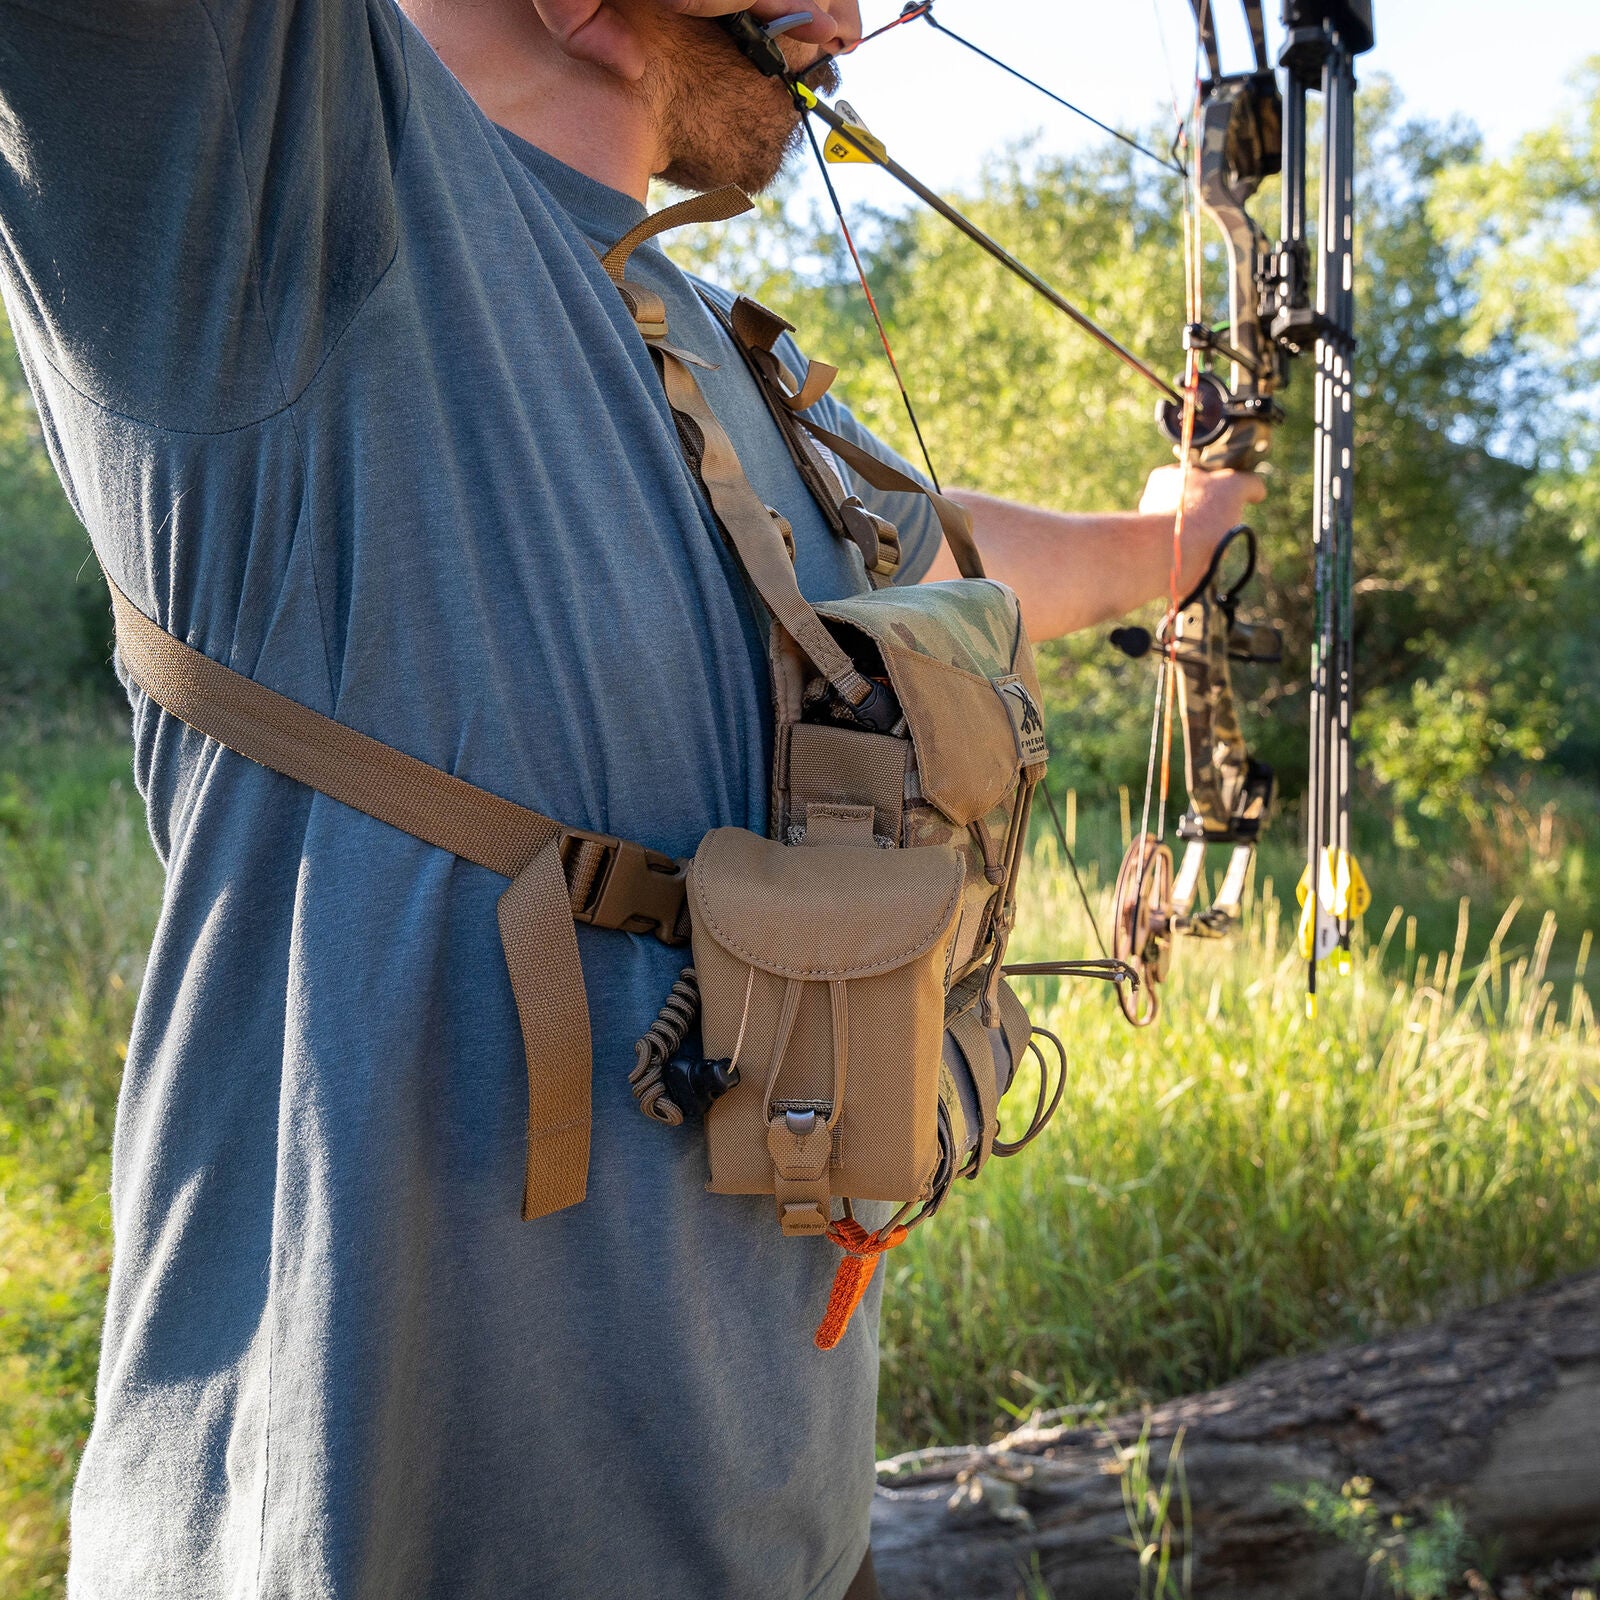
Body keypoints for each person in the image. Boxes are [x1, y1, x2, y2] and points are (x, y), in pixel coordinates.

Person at [0, 1, 1263, 1595]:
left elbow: (931, 552)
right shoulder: (276, 193)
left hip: (783, 1540)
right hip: (384, 1540)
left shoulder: (702, 347)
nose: (855, 24)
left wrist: (1169, 548)